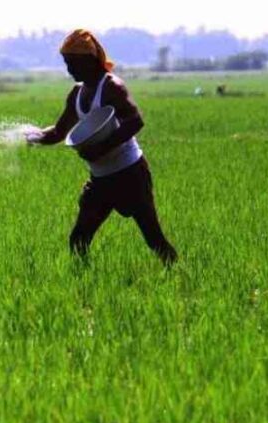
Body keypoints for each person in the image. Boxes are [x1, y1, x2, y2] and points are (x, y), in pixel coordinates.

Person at [27, 29, 178, 265]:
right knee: (78, 240)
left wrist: (101, 149)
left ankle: (180, 277)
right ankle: (83, 289)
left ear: (89, 59)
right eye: (66, 63)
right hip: (100, 180)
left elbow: (135, 120)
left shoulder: (112, 86)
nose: (69, 69)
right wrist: (32, 136)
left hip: (130, 175)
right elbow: (58, 132)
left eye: (72, 63)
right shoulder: (77, 92)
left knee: (154, 239)